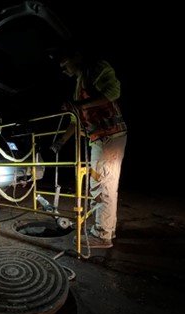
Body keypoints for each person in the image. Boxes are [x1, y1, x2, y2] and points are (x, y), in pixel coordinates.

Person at [50, 46, 127, 249]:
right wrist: (60, 141)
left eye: (65, 64)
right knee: (102, 185)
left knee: (102, 186)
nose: (63, 69)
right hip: (101, 139)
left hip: (108, 137)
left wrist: (78, 105)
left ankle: (102, 235)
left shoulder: (96, 69)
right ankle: (106, 228)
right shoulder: (80, 82)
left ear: (77, 55)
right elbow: (75, 120)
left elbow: (113, 92)